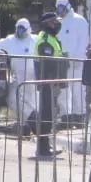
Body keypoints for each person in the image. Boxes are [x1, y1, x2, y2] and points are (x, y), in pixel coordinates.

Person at [0, 18, 38, 132]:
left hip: (32, 77)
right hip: (17, 77)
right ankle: (32, 118)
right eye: (18, 28)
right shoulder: (10, 40)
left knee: (32, 101)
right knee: (12, 98)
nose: (20, 31)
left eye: (23, 29)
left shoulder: (35, 39)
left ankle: (28, 125)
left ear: (28, 29)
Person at [32, 12, 66, 160]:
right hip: (48, 83)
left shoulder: (52, 38)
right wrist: (54, 84)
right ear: (47, 24)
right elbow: (48, 64)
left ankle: (45, 146)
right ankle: (42, 148)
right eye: (53, 22)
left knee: (49, 114)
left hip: (51, 83)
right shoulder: (45, 39)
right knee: (46, 115)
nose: (56, 25)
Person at [55, 0, 90, 122]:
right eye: (58, 8)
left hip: (77, 62)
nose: (60, 11)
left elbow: (83, 42)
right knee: (63, 90)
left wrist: (76, 57)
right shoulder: (58, 22)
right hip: (62, 62)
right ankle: (65, 115)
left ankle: (79, 114)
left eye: (62, 8)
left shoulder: (79, 21)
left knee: (78, 89)